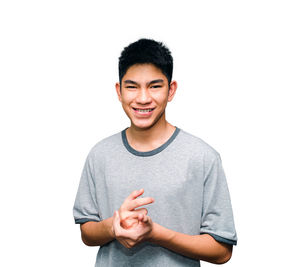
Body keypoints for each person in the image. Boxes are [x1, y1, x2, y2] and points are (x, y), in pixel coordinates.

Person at [73, 38, 237, 267]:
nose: (142, 98)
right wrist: (114, 225)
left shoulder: (202, 157)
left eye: (154, 86)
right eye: (132, 86)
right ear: (119, 91)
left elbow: (222, 252)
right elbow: (87, 233)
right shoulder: (99, 155)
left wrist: (157, 234)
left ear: (171, 90)